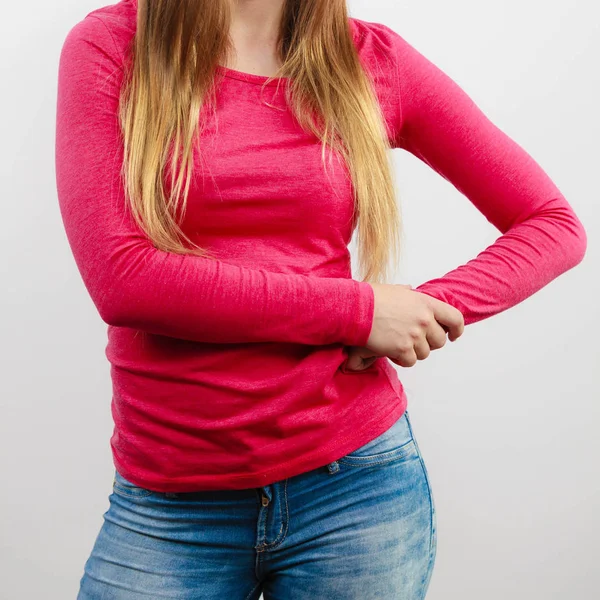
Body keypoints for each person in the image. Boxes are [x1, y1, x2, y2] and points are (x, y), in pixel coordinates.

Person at [55, 0, 587, 598]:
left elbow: (551, 224)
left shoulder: (370, 60)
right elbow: (126, 279)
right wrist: (361, 312)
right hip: (169, 505)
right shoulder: (113, 44)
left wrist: (424, 308)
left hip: (357, 493)